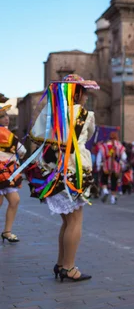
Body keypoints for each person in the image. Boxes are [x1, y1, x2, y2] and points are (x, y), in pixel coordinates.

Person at [29, 74, 98, 282]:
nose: (86, 97)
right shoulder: (85, 115)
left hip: (53, 171)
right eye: (84, 92)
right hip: (74, 170)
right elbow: (89, 135)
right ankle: (68, 267)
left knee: (67, 221)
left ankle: (61, 263)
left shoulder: (51, 114)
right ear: (77, 93)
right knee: (75, 221)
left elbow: (36, 136)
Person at [0, 104, 27, 243]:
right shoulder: (6, 133)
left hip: (6, 172)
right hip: (3, 171)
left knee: (14, 200)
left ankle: (7, 232)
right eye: (3, 116)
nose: (6, 119)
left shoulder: (8, 133)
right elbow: (22, 151)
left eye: (7, 116)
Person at [96, 131, 127, 205]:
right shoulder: (119, 146)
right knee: (114, 182)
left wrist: (98, 165)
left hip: (106, 166)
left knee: (104, 180)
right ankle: (113, 199)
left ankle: (105, 191)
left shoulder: (104, 145)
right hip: (116, 167)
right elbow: (124, 157)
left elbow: (99, 156)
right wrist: (122, 164)